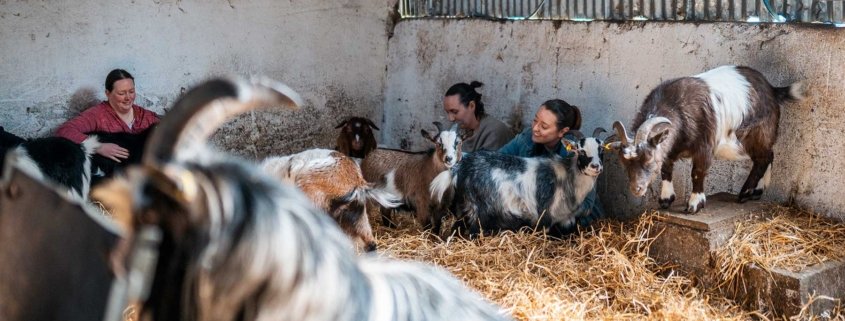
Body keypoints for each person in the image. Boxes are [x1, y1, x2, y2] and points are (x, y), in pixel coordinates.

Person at [498, 99, 605, 229]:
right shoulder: (527, 138)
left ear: (562, 132)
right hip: (534, 208)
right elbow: (498, 160)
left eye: (544, 126)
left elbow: (586, 205)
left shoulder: (579, 154)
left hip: (575, 218)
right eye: (535, 120)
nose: (535, 128)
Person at [55, 69, 159, 162]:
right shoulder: (97, 115)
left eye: (131, 92)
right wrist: (97, 146)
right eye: (121, 93)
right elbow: (64, 131)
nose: (128, 98)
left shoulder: (146, 116)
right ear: (108, 93)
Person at [442, 81, 512, 152]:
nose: (450, 118)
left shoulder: (494, 132)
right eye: (447, 112)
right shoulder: (454, 130)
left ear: (472, 106)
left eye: (455, 112)